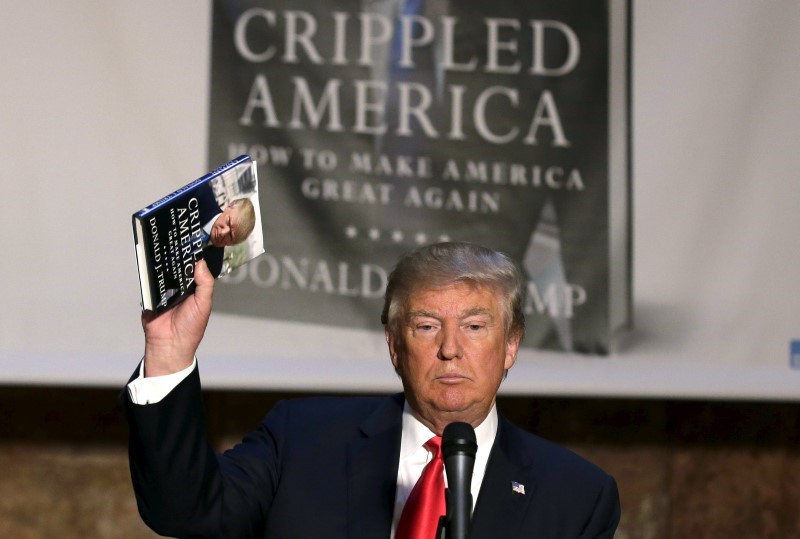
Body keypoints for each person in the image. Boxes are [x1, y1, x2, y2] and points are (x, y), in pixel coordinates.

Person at [126, 242, 620, 538]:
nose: (450, 349)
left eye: (474, 327)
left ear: (510, 346)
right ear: (394, 345)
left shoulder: (576, 496)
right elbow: (183, 510)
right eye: (426, 326)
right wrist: (168, 352)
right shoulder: (300, 441)